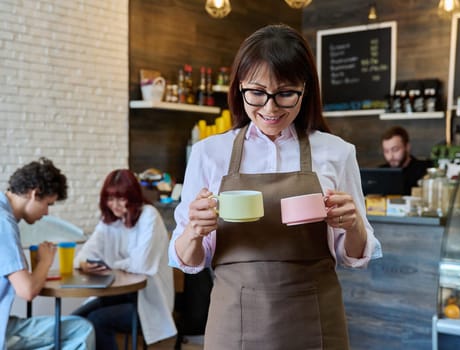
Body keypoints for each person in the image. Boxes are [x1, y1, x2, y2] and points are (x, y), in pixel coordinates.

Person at [168, 24, 382, 350]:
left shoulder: (337, 152)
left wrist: (352, 225)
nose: (270, 108)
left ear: (305, 89)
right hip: (233, 319)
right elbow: (189, 260)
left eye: (285, 93)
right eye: (256, 92)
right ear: (240, 87)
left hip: (316, 318)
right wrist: (194, 231)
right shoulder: (208, 154)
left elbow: (354, 256)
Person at [72, 169, 176, 350]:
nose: (115, 205)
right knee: (76, 319)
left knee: (97, 320)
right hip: (118, 295)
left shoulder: (148, 216)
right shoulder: (109, 222)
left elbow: (141, 264)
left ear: (133, 197)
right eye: (110, 199)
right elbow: (84, 254)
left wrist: (109, 265)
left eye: (121, 199)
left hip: (147, 301)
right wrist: (84, 263)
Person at [0, 157, 95, 349]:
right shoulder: (4, 222)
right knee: (81, 329)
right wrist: (45, 261)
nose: (47, 213)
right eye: (48, 204)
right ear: (35, 194)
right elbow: (27, 291)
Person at [380, 125, 434, 195]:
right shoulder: (381, 173)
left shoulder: (424, 169)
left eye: (395, 149)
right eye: (386, 151)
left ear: (407, 147)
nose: (390, 156)